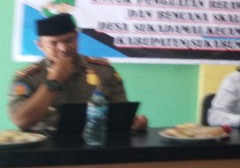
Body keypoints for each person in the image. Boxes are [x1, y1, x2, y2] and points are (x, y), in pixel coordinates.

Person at [8, 13, 147, 132]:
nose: (63, 48)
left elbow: (121, 115)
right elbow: (21, 120)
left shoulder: (103, 70)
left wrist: (135, 123)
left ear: (77, 37)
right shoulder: (29, 78)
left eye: (69, 40)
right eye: (54, 43)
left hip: (95, 143)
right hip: (46, 147)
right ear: (41, 46)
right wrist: (54, 81)